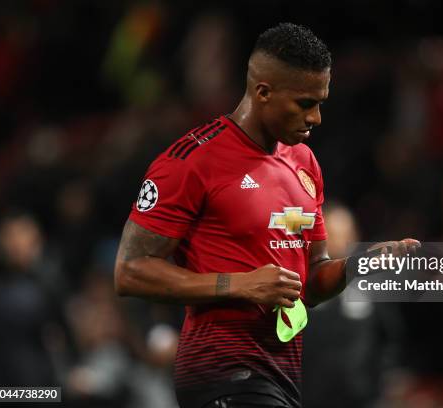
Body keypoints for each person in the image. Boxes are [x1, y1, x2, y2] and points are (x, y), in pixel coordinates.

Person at [114, 23, 419, 408]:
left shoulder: (305, 164)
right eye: (306, 103)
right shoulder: (191, 162)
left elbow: (309, 283)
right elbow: (130, 271)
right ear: (263, 92)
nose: (317, 118)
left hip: (283, 377)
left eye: (321, 102)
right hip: (221, 372)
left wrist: (354, 267)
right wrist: (238, 284)